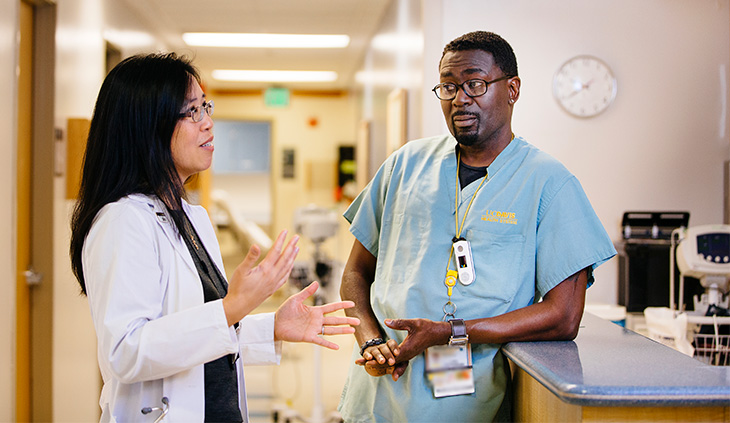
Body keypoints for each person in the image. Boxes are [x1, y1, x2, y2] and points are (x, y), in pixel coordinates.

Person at [337, 31, 616, 422]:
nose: (460, 98)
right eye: (448, 86)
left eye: (475, 83)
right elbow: (355, 273)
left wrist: (453, 331)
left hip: (469, 406)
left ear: (512, 89)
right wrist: (370, 340)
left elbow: (563, 315)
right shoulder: (404, 165)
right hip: (377, 399)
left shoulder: (549, 183)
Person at [69, 52, 359, 422]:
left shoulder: (191, 216)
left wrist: (272, 326)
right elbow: (126, 351)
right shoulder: (124, 219)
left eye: (206, 107)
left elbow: (203, 334)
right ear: (147, 126)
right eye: (192, 112)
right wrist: (231, 307)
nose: (208, 123)